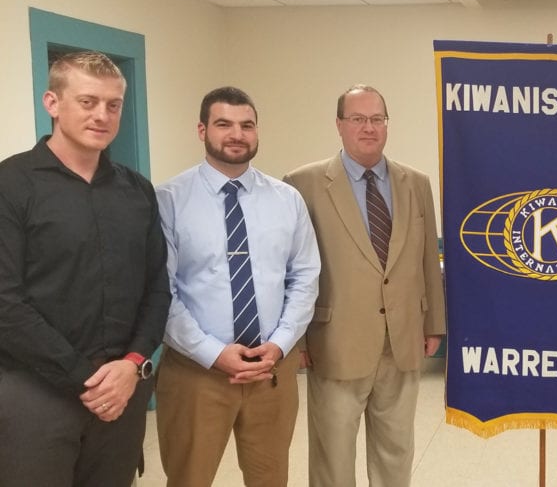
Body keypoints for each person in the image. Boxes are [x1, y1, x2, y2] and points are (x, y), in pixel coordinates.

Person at [0, 51, 169, 485]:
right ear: (52, 103)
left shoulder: (137, 190)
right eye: (88, 101)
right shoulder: (11, 184)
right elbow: (6, 304)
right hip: (35, 390)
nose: (102, 115)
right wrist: (87, 379)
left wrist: (132, 363)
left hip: (123, 387)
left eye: (113, 105)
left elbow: (157, 289)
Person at [155, 86, 320, 486]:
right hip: (196, 373)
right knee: (189, 479)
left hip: (270, 371)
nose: (236, 134)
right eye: (223, 124)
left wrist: (280, 343)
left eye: (247, 125)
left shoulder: (287, 200)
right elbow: (161, 291)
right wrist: (213, 353)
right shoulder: (168, 200)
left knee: (271, 479)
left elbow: (304, 276)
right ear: (202, 130)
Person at [284, 84, 446, 487]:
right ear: (339, 124)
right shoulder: (303, 184)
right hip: (335, 343)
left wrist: (433, 324)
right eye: (357, 118)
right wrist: (296, 341)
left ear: (387, 124)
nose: (368, 127)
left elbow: (428, 258)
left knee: (396, 451)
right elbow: (292, 268)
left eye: (377, 119)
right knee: (333, 456)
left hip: (402, 339)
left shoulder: (415, 183)